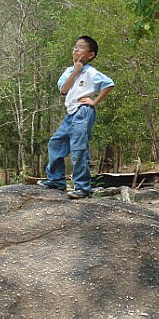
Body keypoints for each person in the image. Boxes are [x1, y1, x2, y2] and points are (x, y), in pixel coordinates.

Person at [38, 36, 115, 199]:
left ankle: (83, 187)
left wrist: (94, 102)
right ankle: (56, 180)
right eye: (75, 47)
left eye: (80, 48)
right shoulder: (68, 71)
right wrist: (75, 70)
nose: (75, 50)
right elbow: (64, 90)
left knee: (78, 147)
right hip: (71, 112)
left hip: (84, 111)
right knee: (56, 142)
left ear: (91, 55)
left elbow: (109, 84)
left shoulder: (92, 72)